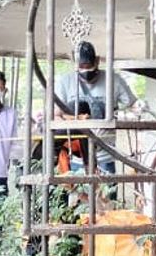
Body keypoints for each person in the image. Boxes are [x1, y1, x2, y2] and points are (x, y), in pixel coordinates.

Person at [54, 41, 137, 174]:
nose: (86, 71)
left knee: (107, 193)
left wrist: (136, 111)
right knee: (82, 193)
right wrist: (75, 120)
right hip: (77, 158)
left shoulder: (113, 80)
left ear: (97, 61)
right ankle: (88, 163)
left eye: (89, 66)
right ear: (74, 64)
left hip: (106, 154)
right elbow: (56, 116)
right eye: (82, 66)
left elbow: (133, 105)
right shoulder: (65, 82)